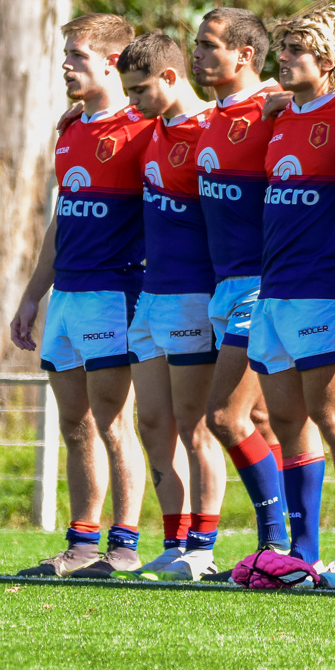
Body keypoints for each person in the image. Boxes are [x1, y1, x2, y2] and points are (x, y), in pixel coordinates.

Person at [12, 15, 152, 578]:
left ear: (112, 62)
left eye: (76, 55)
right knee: (75, 424)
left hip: (115, 292)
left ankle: (125, 544)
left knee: (115, 422)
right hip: (67, 295)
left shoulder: (145, 128)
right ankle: (82, 542)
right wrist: (30, 297)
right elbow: (61, 221)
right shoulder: (69, 131)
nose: (65, 65)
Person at [249, 7, 335, 584]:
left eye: (296, 50)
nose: (284, 60)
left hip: (326, 288)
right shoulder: (278, 116)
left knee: (334, 416)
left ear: (326, 60)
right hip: (273, 290)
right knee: (286, 419)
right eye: (283, 50)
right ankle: (300, 553)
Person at [192, 8, 305, 571]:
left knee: (225, 417)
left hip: (265, 284)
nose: (198, 54)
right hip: (223, 286)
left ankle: (276, 541)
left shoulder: (274, 108)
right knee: (259, 422)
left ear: (245, 55)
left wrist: (289, 100)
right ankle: (285, 545)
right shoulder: (210, 116)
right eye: (196, 44)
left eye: (210, 45)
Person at [115, 33, 224, 581]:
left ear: (171, 77)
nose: (132, 101)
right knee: (153, 420)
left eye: (140, 91)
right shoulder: (148, 129)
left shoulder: (211, 128)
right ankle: (175, 537)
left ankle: (203, 545)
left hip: (194, 295)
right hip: (152, 295)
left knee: (195, 423)